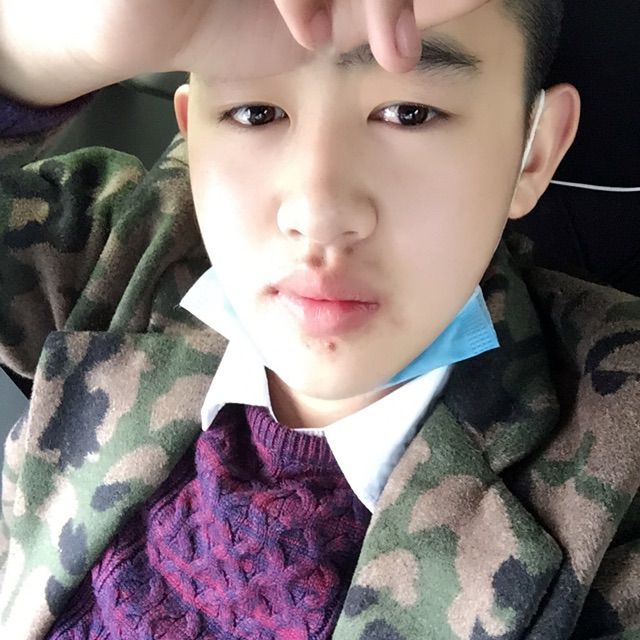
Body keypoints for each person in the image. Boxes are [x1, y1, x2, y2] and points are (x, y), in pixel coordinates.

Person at [0, 0, 638, 638]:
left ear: (533, 152)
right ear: (193, 135)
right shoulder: (119, 253)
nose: (317, 213)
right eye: (256, 112)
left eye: (409, 113)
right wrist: (31, 57)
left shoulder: (616, 450)